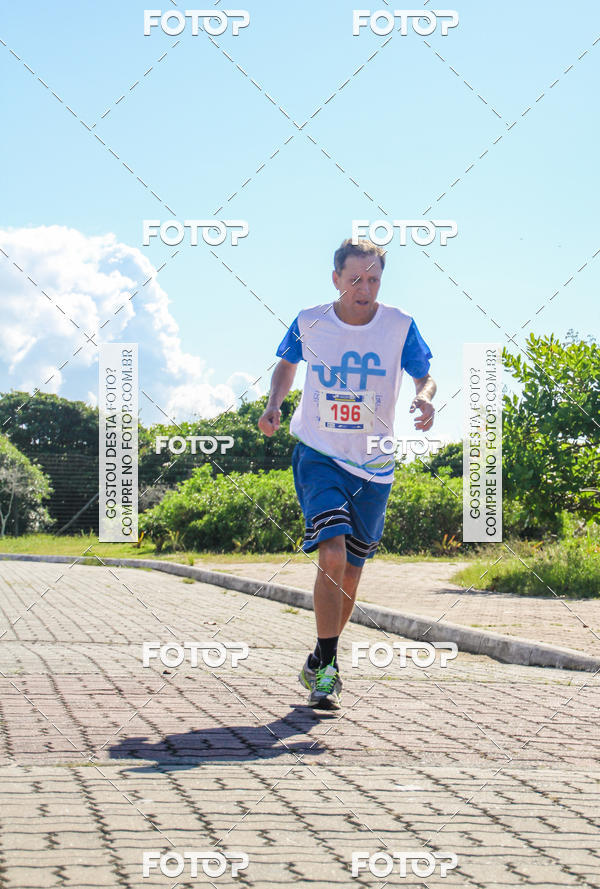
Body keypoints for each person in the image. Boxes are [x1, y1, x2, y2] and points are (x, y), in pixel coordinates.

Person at [258, 238, 436, 710]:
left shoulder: (399, 326)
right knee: (332, 555)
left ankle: (320, 657)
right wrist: (274, 405)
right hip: (320, 451)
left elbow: (425, 374)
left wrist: (425, 396)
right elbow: (285, 367)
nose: (365, 288)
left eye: (374, 279)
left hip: (374, 464)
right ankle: (330, 671)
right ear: (335, 278)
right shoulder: (310, 321)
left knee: (352, 575)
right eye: (355, 279)